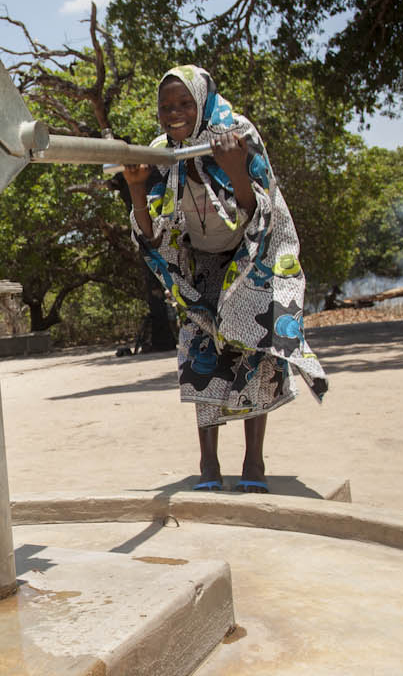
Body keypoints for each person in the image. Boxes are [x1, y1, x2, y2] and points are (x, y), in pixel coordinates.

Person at [122, 66, 328, 493]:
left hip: (250, 257)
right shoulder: (161, 155)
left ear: (202, 103)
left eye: (184, 103)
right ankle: (208, 464)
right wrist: (138, 190)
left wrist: (233, 169)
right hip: (201, 268)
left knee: (255, 351)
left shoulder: (237, 135)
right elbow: (153, 236)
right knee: (201, 355)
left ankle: (255, 462)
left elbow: (261, 213)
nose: (174, 113)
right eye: (165, 106)